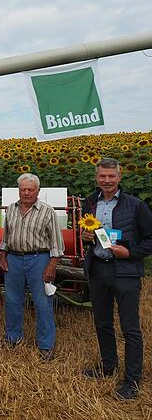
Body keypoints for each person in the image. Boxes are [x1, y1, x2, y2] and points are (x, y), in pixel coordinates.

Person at [80, 158, 152, 400]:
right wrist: (85, 237)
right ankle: (107, 366)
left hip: (125, 272)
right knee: (102, 323)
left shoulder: (136, 206)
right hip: (99, 269)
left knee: (130, 328)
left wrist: (130, 253)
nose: (107, 181)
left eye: (111, 176)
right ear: (96, 178)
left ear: (119, 177)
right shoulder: (89, 202)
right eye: (102, 176)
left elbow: (150, 239)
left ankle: (132, 380)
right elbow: (87, 233)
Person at [0, 173, 64, 362]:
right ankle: (13, 338)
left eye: (30, 189)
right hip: (14, 259)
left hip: (39, 259)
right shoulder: (11, 209)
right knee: (12, 300)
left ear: (38, 191)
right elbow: (6, 236)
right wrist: (3, 256)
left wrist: (52, 266)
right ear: (18, 190)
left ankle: (45, 345)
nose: (26, 192)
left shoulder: (47, 211)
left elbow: (56, 244)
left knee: (42, 302)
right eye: (23, 189)